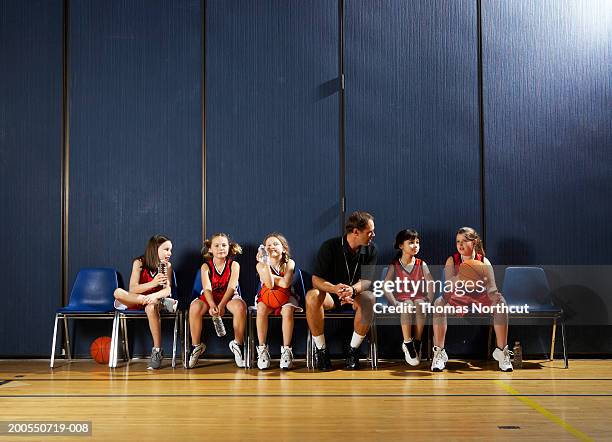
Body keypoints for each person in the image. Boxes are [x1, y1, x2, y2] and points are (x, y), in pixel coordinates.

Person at [431, 226, 513, 372]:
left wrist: (493, 294)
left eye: (464, 241)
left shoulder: (484, 261)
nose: (460, 245)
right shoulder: (452, 260)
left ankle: (502, 352)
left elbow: (492, 289)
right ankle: (439, 353)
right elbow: (448, 288)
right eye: (457, 241)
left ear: (474, 243)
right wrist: (463, 273)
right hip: (459, 297)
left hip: (480, 297)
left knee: (501, 304)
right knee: (438, 303)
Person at [306, 211, 378, 370]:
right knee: (312, 295)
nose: (373, 235)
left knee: (370, 298)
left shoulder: (371, 250)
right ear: (356, 232)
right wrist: (334, 289)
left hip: (355, 297)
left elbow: (367, 281)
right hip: (331, 297)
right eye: (370, 232)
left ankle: (353, 351)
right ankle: (321, 351)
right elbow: (316, 280)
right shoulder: (329, 246)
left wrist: (352, 290)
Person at [113, 234, 178, 370]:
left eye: (170, 250)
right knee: (118, 292)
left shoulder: (167, 266)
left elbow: (167, 290)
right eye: (166, 249)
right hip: (138, 299)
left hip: (154, 302)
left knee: (150, 307)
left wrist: (153, 296)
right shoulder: (139, 262)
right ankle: (150, 301)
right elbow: (133, 288)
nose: (169, 253)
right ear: (155, 249)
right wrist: (152, 283)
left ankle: (157, 351)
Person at [187, 233, 247, 369]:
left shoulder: (234, 265)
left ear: (229, 247)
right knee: (195, 307)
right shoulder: (205, 267)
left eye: (224, 245)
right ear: (210, 249)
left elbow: (232, 287)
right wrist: (213, 305)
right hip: (210, 297)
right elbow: (207, 289)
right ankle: (196, 346)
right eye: (217, 245)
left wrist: (221, 305)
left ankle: (238, 345)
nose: (221, 248)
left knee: (240, 307)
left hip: (228, 297)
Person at [382, 229, 434, 366]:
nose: (415, 245)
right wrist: (393, 302)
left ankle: (417, 341)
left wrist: (428, 298)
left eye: (417, 242)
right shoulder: (395, 265)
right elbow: (386, 286)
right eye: (411, 243)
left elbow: (431, 284)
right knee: (407, 304)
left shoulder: (421, 264)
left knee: (419, 303)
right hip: (401, 300)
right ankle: (407, 343)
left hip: (419, 298)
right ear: (401, 246)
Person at [255, 233, 302, 370]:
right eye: (268, 245)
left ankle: (287, 350)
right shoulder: (260, 265)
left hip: (287, 296)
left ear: (284, 249)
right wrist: (265, 265)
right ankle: (262, 349)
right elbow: (269, 285)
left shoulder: (289, 263)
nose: (271, 247)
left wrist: (277, 279)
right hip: (267, 296)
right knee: (261, 309)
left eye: (275, 244)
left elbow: (286, 283)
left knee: (287, 310)